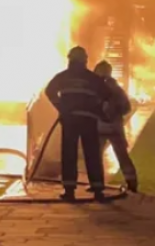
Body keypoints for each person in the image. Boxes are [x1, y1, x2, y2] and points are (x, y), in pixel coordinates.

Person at [45, 46, 111, 201]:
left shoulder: (63, 77)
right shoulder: (92, 78)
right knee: (92, 154)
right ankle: (98, 189)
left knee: (69, 154)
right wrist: (97, 108)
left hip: (70, 120)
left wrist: (61, 107)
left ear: (70, 60)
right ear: (85, 60)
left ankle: (69, 190)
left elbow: (49, 91)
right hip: (88, 120)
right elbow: (106, 94)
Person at [94, 60, 139, 193]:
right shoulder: (117, 89)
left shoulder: (96, 89)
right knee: (122, 155)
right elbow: (126, 108)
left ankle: (97, 184)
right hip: (115, 128)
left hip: (101, 128)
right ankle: (132, 182)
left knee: (96, 157)